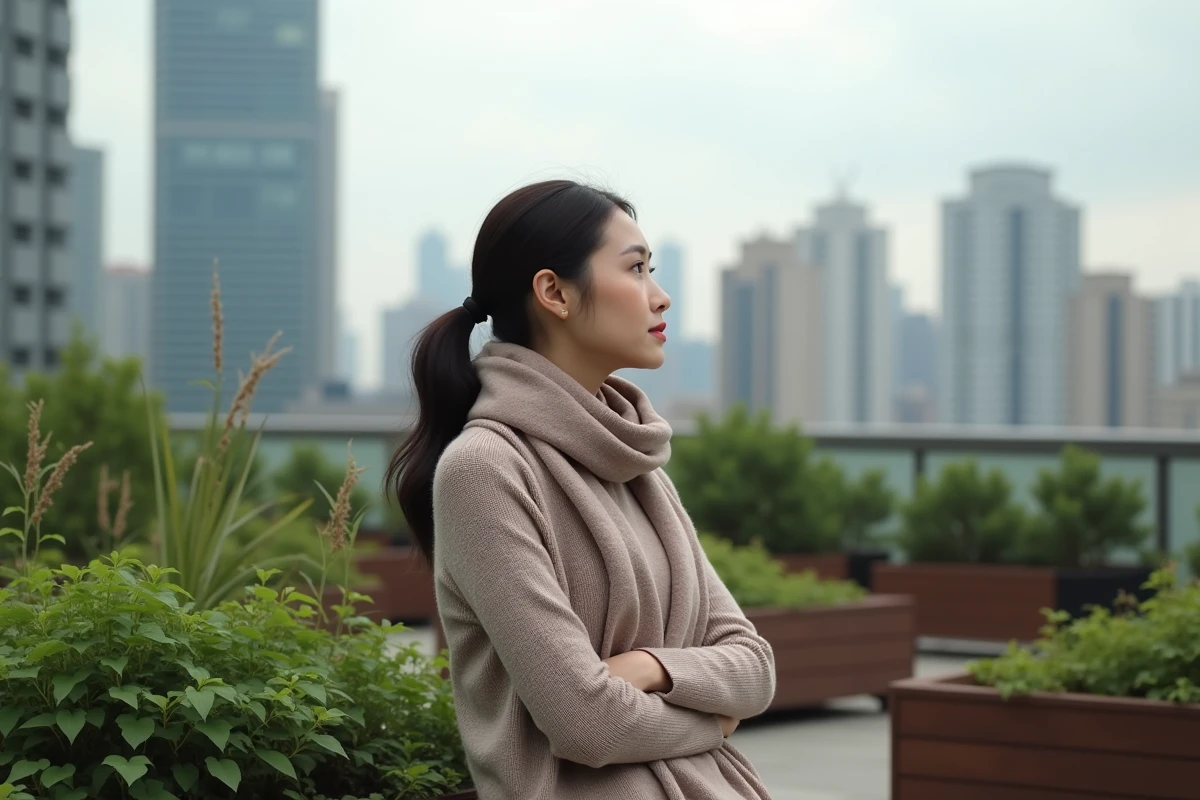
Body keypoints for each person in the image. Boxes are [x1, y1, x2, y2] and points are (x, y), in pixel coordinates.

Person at [387, 179, 776, 799]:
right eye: (636, 269)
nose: (661, 296)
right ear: (555, 293)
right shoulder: (485, 471)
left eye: (653, 271)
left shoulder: (638, 464)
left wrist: (648, 667)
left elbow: (755, 666)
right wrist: (713, 721)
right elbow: (587, 723)